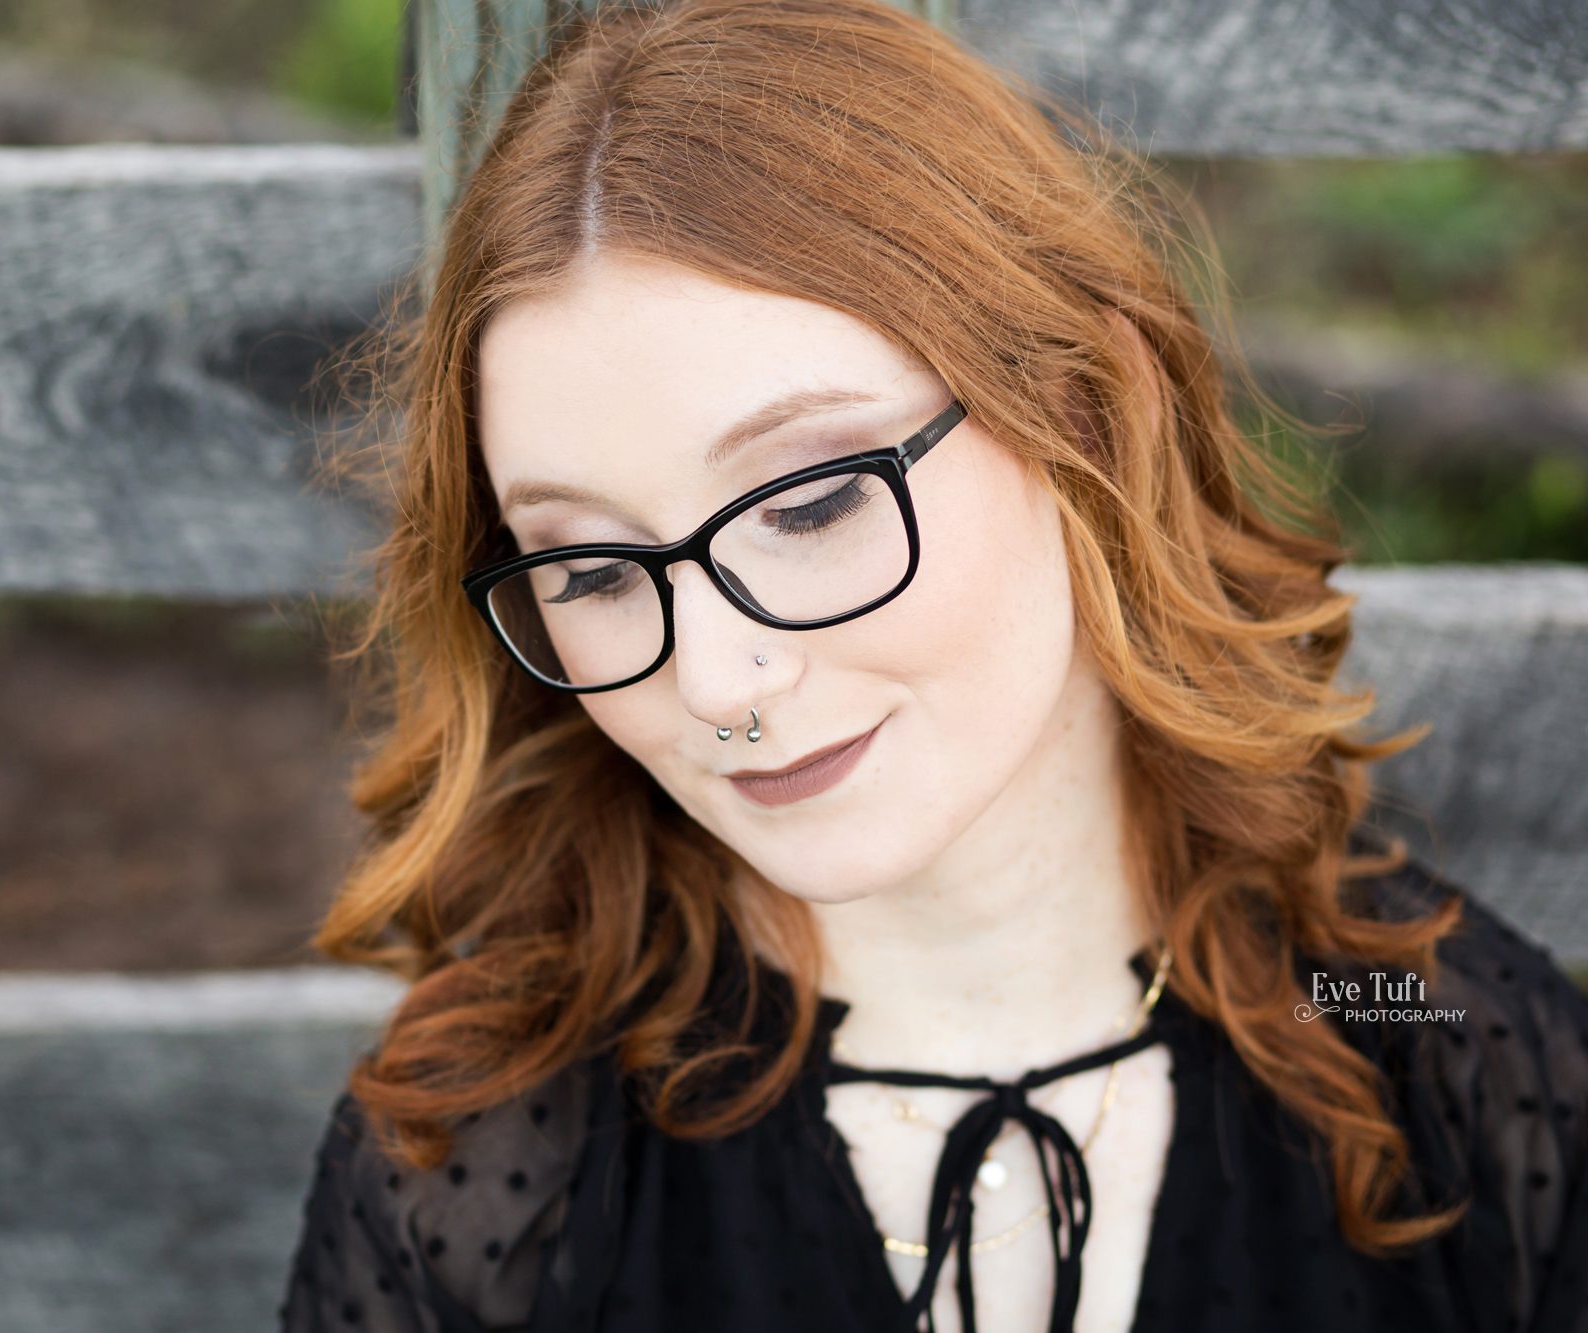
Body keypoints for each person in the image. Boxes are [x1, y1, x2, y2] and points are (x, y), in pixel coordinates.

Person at [279, 1, 1588, 1329]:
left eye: (808, 505)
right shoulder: (486, 1174)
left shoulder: (1453, 1064)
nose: (723, 685)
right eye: (597, 573)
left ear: (1084, 402)